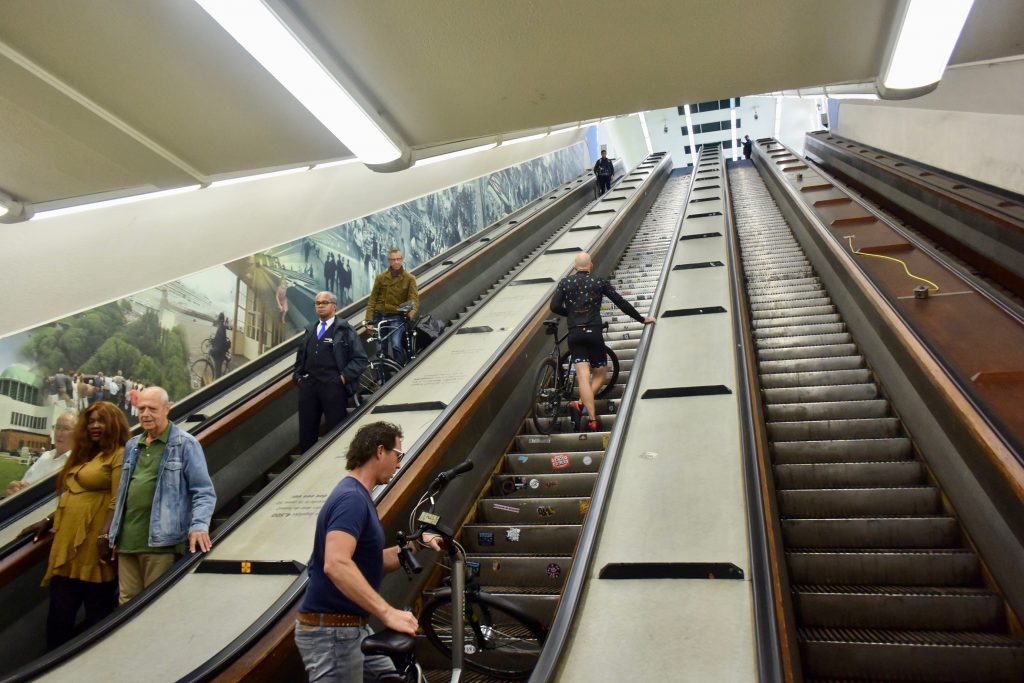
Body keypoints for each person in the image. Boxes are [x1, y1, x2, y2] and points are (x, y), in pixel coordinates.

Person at [294, 421, 442, 682]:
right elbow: (336, 563)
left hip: (350, 629)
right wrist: (387, 612)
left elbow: (371, 561)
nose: (399, 465)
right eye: (398, 456)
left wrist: (417, 544)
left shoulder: (359, 497)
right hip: (333, 634)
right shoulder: (351, 499)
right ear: (380, 451)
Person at [22, 402, 130, 649]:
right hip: (67, 546)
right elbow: (71, 493)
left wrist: (105, 536)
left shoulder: (119, 454)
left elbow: (118, 498)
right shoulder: (84, 455)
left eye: (101, 420)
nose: (95, 426)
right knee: (58, 617)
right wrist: (47, 521)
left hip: (93, 548)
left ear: (114, 423)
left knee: (97, 614)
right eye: (90, 421)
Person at [106, 386, 216, 604]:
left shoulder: (185, 444)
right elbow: (123, 493)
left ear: (167, 409)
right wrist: (114, 534)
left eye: (152, 409)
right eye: (141, 409)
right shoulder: (132, 445)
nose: (145, 414)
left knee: (153, 603)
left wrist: (199, 526)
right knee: (126, 604)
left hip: (161, 544)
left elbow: (204, 492)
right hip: (127, 542)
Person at [550, 252, 656, 432]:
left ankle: (591, 418)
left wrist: (572, 314)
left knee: (583, 376)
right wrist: (641, 319)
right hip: (594, 332)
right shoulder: (598, 281)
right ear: (590, 265)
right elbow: (620, 302)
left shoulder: (565, 283)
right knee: (599, 374)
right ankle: (580, 405)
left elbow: (554, 306)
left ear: (575, 267)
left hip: (575, 333)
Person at [294, 292, 368, 453]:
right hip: (309, 387)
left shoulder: (345, 329)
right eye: (317, 303)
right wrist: (299, 378)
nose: (320, 305)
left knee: (336, 433)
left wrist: (342, 378)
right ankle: (307, 466)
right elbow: (300, 359)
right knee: (306, 434)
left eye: (324, 302)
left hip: (333, 387)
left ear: (334, 306)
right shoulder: (310, 330)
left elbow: (360, 359)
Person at [365, 249, 419, 365]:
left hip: (396, 317)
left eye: (398, 259)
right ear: (389, 261)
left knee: (396, 344)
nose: (396, 262)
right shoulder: (381, 278)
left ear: (402, 260)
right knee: (380, 348)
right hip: (379, 316)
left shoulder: (409, 278)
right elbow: (372, 300)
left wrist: (411, 312)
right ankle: (384, 373)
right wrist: (369, 321)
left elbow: (414, 299)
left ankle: (400, 370)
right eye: (393, 259)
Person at [5, 409, 77, 497]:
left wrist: (29, 494)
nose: (59, 434)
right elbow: (24, 483)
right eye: (57, 427)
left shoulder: (76, 465)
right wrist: (14, 490)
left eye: (66, 429)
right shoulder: (45, 456)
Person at [210, 313, 230, 379]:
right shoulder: (221, 326)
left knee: (217, 373)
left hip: (219, 353)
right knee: (217, 370)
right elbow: (219, 339)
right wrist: (213, 340)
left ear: (219, 319)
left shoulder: (221, 327)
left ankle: (217, 382)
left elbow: (220, 342)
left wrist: (214, 349)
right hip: (220, 352)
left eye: (218, 317)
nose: (217, 319)